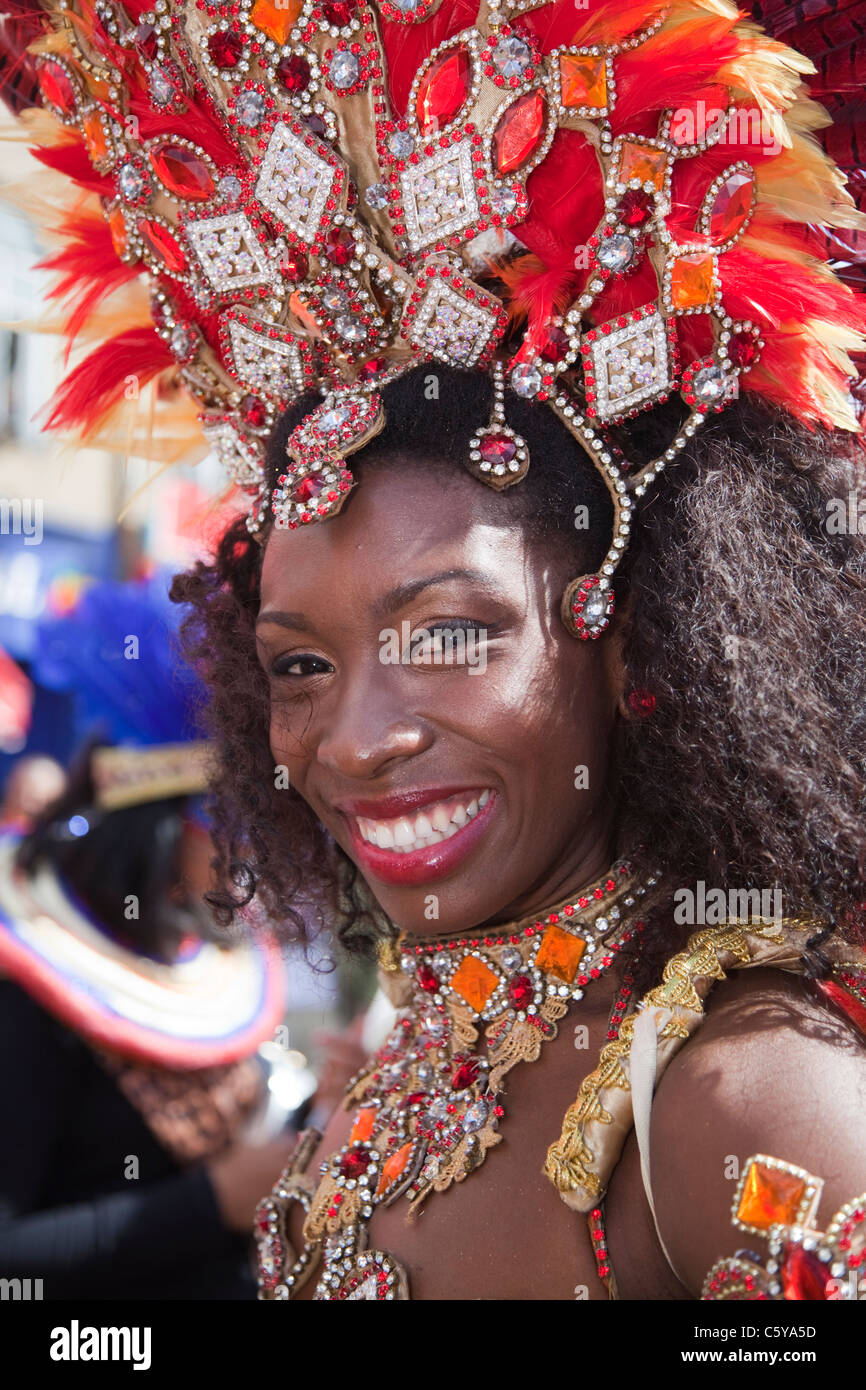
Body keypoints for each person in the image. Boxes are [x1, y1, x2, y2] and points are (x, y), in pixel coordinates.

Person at [4, 0, 866, 1301]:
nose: (352, 738)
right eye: (299, 664)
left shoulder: (737, 1111)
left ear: (634, 634)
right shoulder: (411, 1047)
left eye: (448, 631)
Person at [0, 578, 290, 1299]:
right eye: (238, 827)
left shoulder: (204, 949)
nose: (255, 856)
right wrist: (214, 1201)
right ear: (165, 827)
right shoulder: (24, 997)